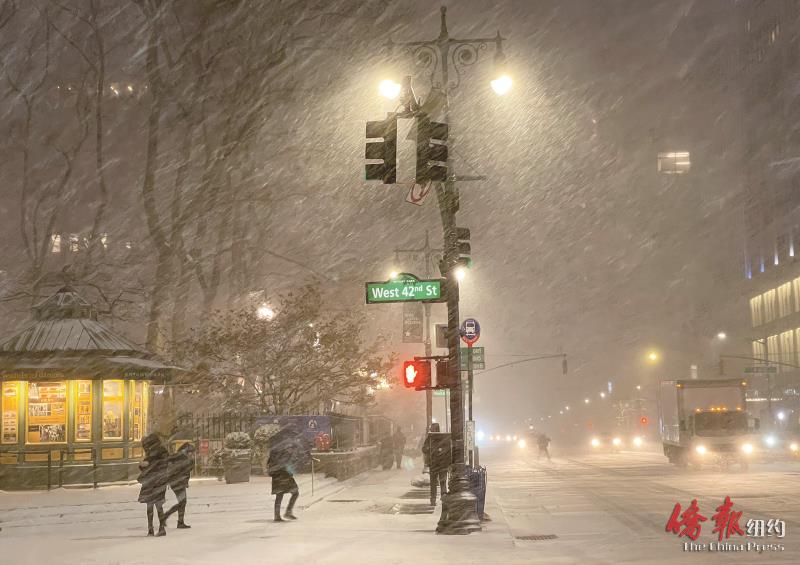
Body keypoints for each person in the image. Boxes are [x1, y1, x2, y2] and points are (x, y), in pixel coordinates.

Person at [268, 425, 304, 522]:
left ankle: (279, 514)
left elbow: (275, 459)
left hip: (278, 472)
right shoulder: (285, 446)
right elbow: (285, 461)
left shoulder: (278, 445)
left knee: (281, 494)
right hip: (282, 473)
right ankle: (286, 512)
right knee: (293, 492)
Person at [137, 433, 170, 537]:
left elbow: (156, 465)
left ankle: (152, 528)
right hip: (157, 481)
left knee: (151, 506)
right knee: (157, 505)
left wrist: (146, 465)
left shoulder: (155, 453)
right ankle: (159, 528)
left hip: (153, 481)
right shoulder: (160, 451)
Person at [164, 442, 195, 529]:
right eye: (192, 452)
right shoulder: (183, 458)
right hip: (177, 482)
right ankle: (167, 517)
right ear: (187, 451)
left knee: (182, 502)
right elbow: (184, 470)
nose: (193, 454)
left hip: (176, 482)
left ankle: (178, 521)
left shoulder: (179, 456)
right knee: (182, 502)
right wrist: (191, 461)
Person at [422, 423, 451, 506]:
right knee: (442, 482)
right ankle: (444, 499)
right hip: (443, 464)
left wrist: (429, 450)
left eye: (432, 429)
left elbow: (424, 449)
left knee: (433, 483)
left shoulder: (430, 438)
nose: (431, 430)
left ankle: (433, 500)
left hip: (434, 463)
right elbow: (449, 451)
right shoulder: (444, 438)